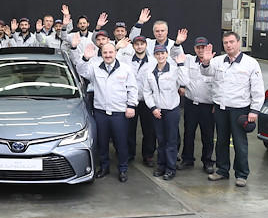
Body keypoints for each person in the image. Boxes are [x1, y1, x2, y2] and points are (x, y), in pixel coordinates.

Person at [200, 31, 264, 187]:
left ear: (238, 43)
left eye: (231, 42)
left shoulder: (250, 63)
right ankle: (222, 170)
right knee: (221, 141)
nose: (228, 45)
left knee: (239, 143)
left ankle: (241, 174)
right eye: (225, 43)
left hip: (240, 110)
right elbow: (205, 73)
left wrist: (254, 110)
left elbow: (257, 89)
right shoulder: (218, 61)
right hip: (221, 109)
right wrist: (206, 62)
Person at [77, 43, 138, 182]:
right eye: (105, 53)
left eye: (111, 52)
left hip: (120, 113)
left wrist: (131, 106)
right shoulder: (95, 68)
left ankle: (123, 169)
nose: (108, 55)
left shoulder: (125, 69)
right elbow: (81, 71)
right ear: (101, 53)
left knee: (121, 142)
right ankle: (104, 167)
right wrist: (85, 58)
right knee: (102, 142)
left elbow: (132, 89)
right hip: (101, 112)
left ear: (116, 52)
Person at [143, 45, 188, 181]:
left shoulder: (175, 70)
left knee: (171, 141)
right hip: (157, 112)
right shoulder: (150, 72)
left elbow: (185, 81)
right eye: (158, 54)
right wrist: (153, 108)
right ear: (154, 56)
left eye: (163, 53)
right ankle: (161, 166)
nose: (160, 56)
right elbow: (147, 92)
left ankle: (170, 168)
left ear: (167, 54)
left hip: (171, 111)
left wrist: (181, 65)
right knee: (161, 140)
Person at [117, 36, 157, 168]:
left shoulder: (153, 61)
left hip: (147, 101)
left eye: (142, 44)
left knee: (149, 130)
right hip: (131, 101)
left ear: (146, 45)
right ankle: (129, 154)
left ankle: (148, 155)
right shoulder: (126, 61)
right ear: (133, 47)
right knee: (129, 130)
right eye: (137, 44)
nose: (139, 46)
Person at [177, 36, 215, 174]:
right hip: (191, 103)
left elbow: (218, 85)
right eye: (198, 47)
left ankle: (208, 161)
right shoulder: (188, 60)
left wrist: (216, 103)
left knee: (208, 135)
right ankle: (187, 159)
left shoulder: (214, 63)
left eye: (203, 47)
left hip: (207, 105)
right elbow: (176, 56)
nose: (200, 50)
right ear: (194, 49)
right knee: (189, 132)